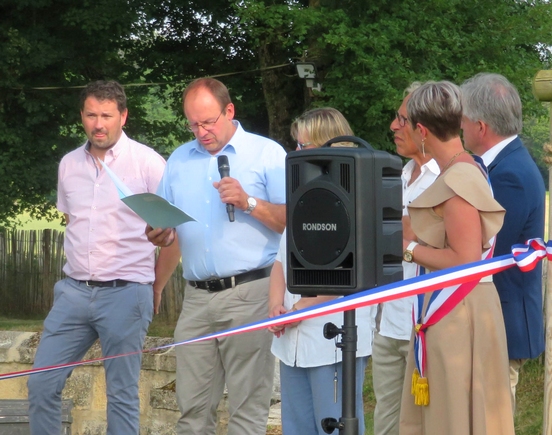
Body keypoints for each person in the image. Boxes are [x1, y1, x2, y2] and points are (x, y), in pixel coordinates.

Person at [27, 80, 177, 435]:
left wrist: (156, 287)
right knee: (41, 385)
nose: (99, 124)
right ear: (82, 116)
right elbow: (73, 221)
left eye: (107, 115)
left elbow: (174, 234)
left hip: (127, 293)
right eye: (91, 115)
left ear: (123, 116)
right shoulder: (68, 165)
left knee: (122, 395)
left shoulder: (148, 163)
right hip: (73, 293)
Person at [146, 77, 287, 435]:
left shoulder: (267, 154)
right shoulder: (179, 158)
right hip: (196, 298)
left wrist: (248, 202)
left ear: (229, 111)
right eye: (193, 123)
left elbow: (293, 222)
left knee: (246, 409)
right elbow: (168, 225)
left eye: (208, 121)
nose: (201, 131)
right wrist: (159, 233)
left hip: (251, 292)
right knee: (191, 411)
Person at [398, 81, 515, 435]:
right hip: (457, 310)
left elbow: (467, 260)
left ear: (421, 130)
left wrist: (408, 249)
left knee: (454, 417)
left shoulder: (460, 176)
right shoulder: (462, 168)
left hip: (460, 314)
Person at [268, 107, 373, 435]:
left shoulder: (353, 200)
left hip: (332, 336)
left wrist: (298, 309)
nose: (296, 153)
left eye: (304, 146)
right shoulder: (303, 198)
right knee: (296, 428)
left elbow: (346, 272)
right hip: (292, 340)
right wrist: (276, 306)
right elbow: (280, 261)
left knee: (333, 427)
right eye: (295, 146)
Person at [460, 72, 546, 411]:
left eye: (464, 121)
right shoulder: (504, 165)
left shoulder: (508, 175)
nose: (460, 128)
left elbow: (486, 248)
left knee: (493, 420)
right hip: (495, 318)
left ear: (481, 127)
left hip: (502, 322)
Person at [371, 84, 439, 435]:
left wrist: (408, 233)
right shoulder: (399, 174)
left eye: (402, 119)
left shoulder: (447, 179)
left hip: (426, 325)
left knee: (421, 425)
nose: (393, 127)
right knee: (384, 420)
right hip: (389, 321)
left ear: (423, 128)